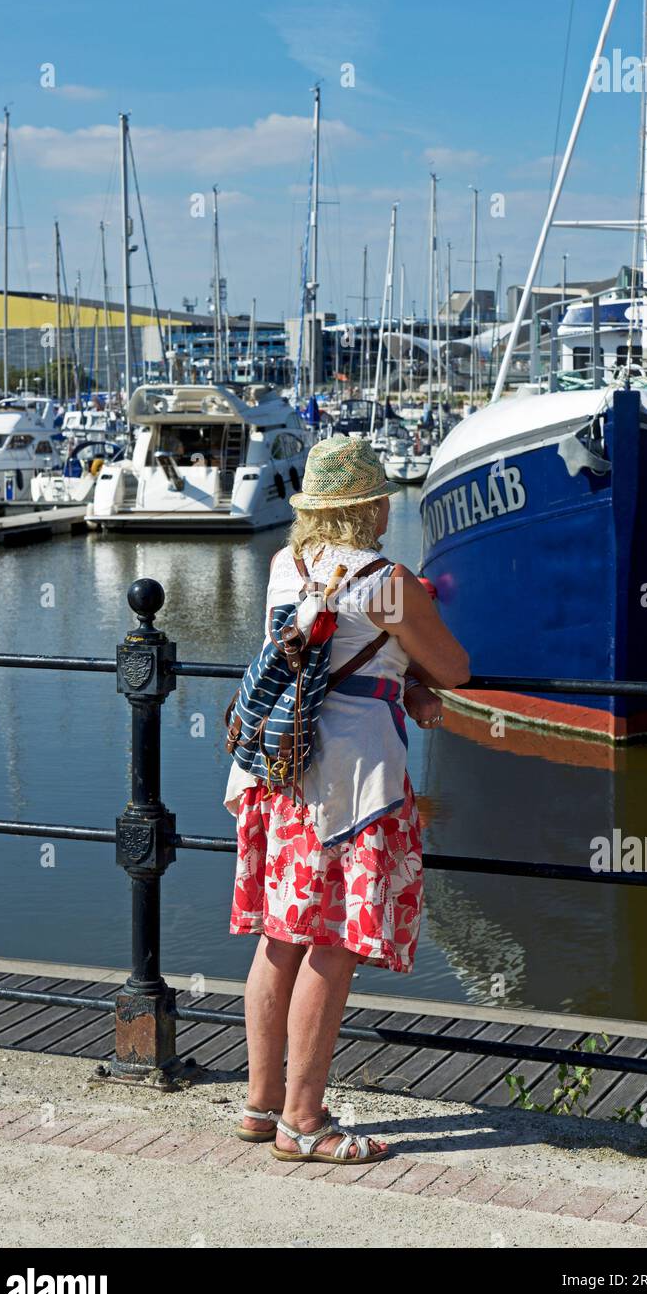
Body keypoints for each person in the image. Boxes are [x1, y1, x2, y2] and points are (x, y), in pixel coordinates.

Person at [224, 435, 469, 1165]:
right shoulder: (386, 579)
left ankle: (262, 1104)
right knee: (331, 944)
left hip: (279, 775)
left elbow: (322, 658)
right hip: (353, 786)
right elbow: (454, 666)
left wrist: (399, 678)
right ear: (370, 507)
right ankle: (305, 1122)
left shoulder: (282, 567)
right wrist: (415, 683)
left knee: (280, 939)